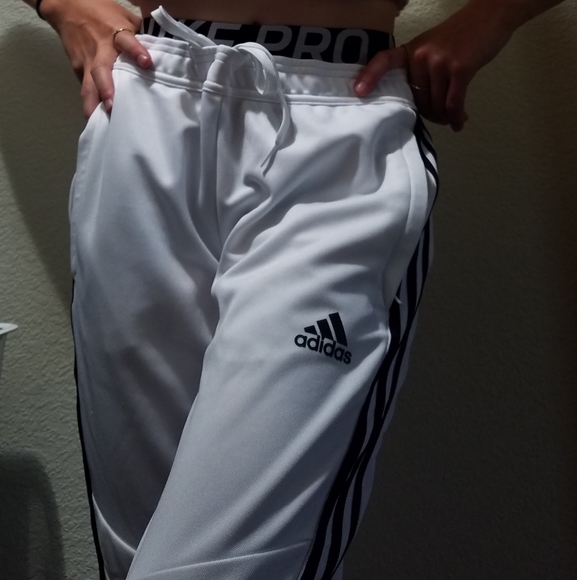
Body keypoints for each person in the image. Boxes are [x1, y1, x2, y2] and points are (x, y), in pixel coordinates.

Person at [18, 0, 565, 579]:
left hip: (339, 123)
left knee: (217, 563)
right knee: (136, 546)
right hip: (153, 97)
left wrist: (490, 18)